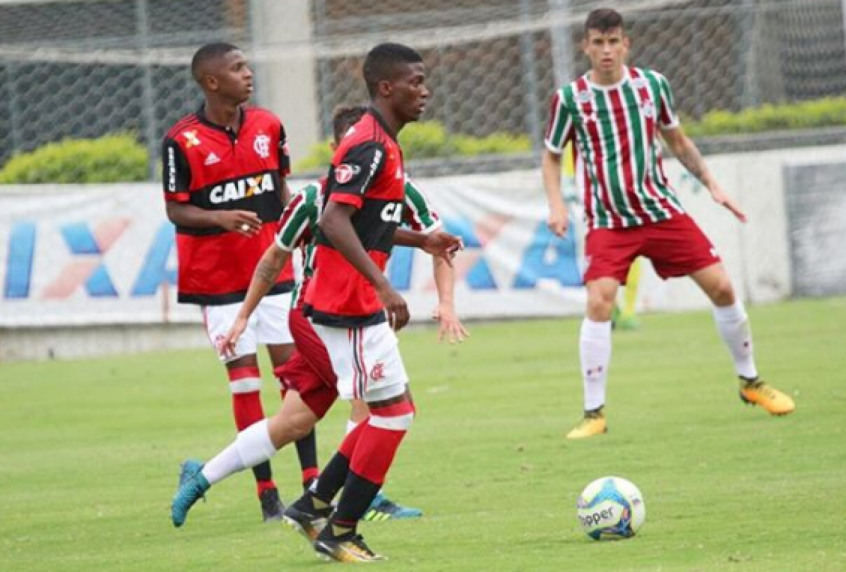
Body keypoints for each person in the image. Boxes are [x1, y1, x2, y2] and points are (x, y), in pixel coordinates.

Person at [172, 43, 460, 562]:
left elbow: (367, 223)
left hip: (340, 306)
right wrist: (382, 285)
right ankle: (340, 529)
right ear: (386, 87)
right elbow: (332, 220)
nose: (426, 90)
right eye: (416, 81)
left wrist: (423, 242)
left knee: (363, 414)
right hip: (343, 307)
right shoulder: (370, 146)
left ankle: (313, 506)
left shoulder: (382, 146)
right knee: (390, 416)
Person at [541, 9, 795, 440]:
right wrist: (556, 206)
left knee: (723, 288)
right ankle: (593, 413)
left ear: (626, 44)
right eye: (598, 43)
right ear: (585, 46)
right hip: (608, 221)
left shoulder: (652, 86)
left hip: (661, 212)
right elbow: (550, 154)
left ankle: (751, 382)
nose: (606, 51)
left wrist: (712, 183)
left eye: (613, 42)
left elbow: (677, 140)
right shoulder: (570, 99)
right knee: (599, 301)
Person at [161, 42, 318, 520]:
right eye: (237, 68)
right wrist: (221, 217)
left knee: (297, 380)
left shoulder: (268, 126)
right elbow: (174, 208)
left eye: (246, 65)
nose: (248, 73)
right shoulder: (182, 141)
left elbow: (280, 188)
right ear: (211, 82)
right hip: (219, 282)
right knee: (245, 384)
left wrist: (301, 227)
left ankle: (312, 485)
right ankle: (267, 495)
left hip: (274, 273)